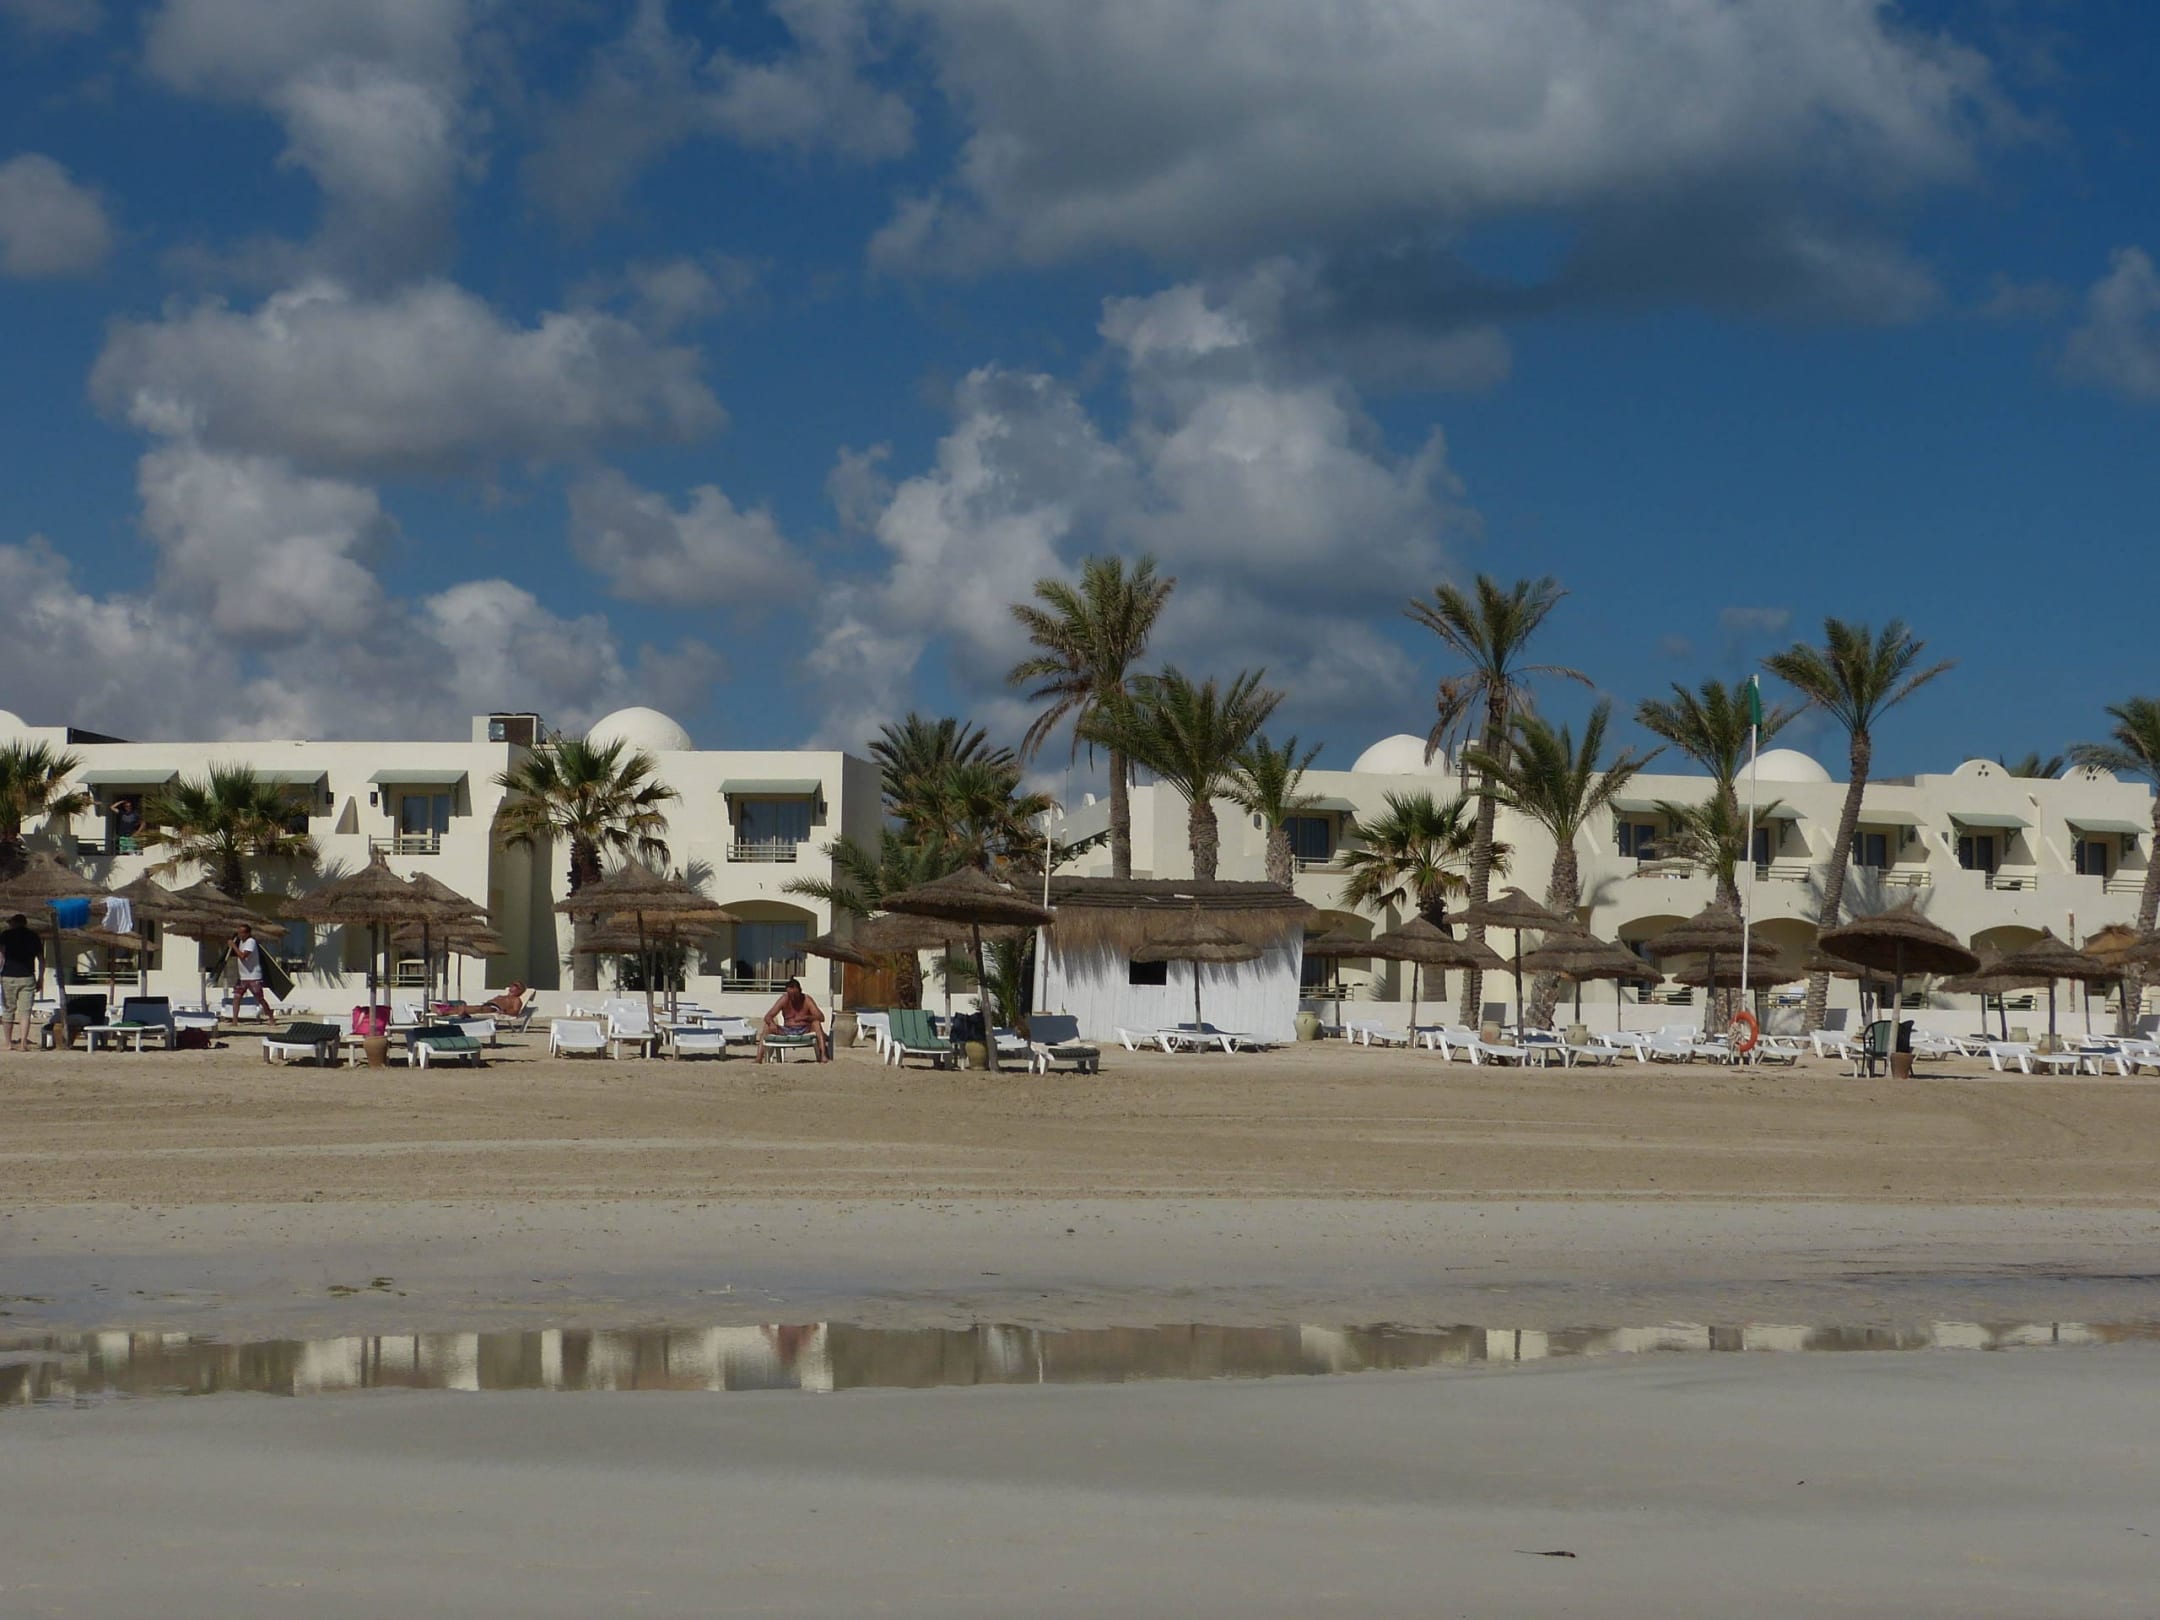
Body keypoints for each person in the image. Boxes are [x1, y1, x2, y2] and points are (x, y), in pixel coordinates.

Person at [757, 977, 828, 1063]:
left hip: (804, 1029)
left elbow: (821, 1017)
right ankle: (758, 1058)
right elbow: (768, 1016)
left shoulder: (806, 1000)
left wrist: (806, 1017)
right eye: (790, 995)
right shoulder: (784, 999)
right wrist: (771, 1023)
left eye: (795, 995)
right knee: (767, 1026)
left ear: (800, 991)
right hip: (787, 1030)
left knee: (816, 1023)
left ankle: (823, 1055)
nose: (793, 998)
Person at [1, 912, 44, 1052]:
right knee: (25, 1012)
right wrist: (41, 978)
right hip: (28, 977)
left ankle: (8, 1043)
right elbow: (41, 959)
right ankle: (23, 1043)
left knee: (8, 1011)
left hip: (9, 976)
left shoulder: (6, 935)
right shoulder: (33, 936)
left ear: (14, 923)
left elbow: (1, 957)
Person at [229, 923, 275, 1023]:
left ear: (248, 933)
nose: (240, 935)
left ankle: (271, 1017)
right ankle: (234, 1020)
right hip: (243, 976)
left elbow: (243, 956)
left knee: (260, 998)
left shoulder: (251, 942)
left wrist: (233, 946)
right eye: (239, 933)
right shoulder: (241, 942)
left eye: (242, 933)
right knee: (236, 997)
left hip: (253, 976)